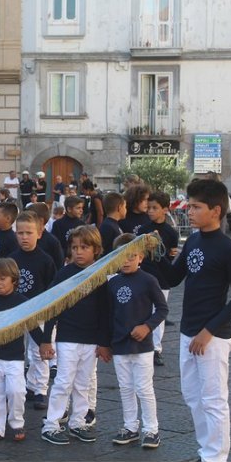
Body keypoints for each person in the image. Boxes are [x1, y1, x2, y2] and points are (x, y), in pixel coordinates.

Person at [160, 179, 231, 462]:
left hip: (213, 336)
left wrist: (208, 331)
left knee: (213, 399)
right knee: (193, 397)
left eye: (196, 207)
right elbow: (173, 278)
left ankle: (216, 459)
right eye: (190, 206)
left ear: (216, 210)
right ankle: (206, 451)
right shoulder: (193, 241)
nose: (190, 212)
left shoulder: (229, 249)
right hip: (188, 331)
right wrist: (152, 254)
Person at [98, 233, 168, 448]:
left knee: (144, 388)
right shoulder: (112, 283)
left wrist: (147, 326)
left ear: (141, 257)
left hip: (142, 346)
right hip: (119, 345)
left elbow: (163, 309)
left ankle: (151, 430)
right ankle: (130, 427)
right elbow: (107, 315)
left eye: (131, 256)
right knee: (125, 388)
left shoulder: (148, 280)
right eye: (122, 256)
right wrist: (105, 343)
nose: (127, 261)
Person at [40, 226, 106, 445]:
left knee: (83, 383)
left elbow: (105, 311)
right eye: (75, 247)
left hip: (91, 339)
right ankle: (51, 424)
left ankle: (78, 422)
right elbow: (52, 306)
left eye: (84, 247)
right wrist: (46, 339)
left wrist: (104, 342)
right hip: (67, 337)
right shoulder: (64, 274)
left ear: (96, 249)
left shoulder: (100, 274)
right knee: (63, 382)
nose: (78, 252)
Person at [0, 258, 43, 443]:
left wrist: (44, 344)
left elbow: (32, 325)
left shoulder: (22, 302)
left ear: (14, 279)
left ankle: (17, 422)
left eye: (2, 278)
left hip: (15, 357)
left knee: (16, 391)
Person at [9, 212, 56, 411]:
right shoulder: (11, 260)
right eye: (20, 233)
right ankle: (25, 385)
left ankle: (40, 389)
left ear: (39, 233)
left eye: (29, 233)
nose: (24, 237)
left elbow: (51, 289)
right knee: (17, 350)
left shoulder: (46, 260)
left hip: (39, 312)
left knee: (39, 351)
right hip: (16, 312)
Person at [138, 191, 179, 366]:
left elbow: (170, 256)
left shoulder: (171, 233)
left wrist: (167, 254)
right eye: (149, 208)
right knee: (142, 309)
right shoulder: (143, 230)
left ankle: (156, 348)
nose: (150, 211)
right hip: (144, 274)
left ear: (165, 209)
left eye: (155, 208)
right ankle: (141, 341)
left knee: (159, 312)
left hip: (162, 277)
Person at [27, 202, 65, 269]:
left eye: (29, 218)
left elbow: (59, 265)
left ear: (41, 221)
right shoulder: (25, 238)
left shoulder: (52, 242)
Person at [51, 196, 85, 261]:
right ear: (69, 209)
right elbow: (56, 244)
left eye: (82, 208)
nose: (81, 210)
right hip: (63, 258)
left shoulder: (82, 224)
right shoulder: (58, 224)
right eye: (78, 208)